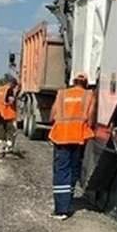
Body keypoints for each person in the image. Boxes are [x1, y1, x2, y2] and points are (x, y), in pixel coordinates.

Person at [48, 73, 96, 219]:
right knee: (73, 170)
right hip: (78, 138)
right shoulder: (89, 95)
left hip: (61, 137)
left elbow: (51, 116)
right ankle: (66, 202)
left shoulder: (62, 94)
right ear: (86, 83)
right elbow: (91, 118)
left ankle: (61, 210)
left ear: (73, 82)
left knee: (61, 171)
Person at [0, 78, 19, 156]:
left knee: (2, 129)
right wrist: (12, 99)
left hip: (0, 112)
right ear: (12, 84)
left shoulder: (0, 89)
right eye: (15, 85)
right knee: (12, 130)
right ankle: (8, 146)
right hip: (8, 113)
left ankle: (1, 145)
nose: (15, 87)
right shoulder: (9, 90)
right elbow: (9, 100)